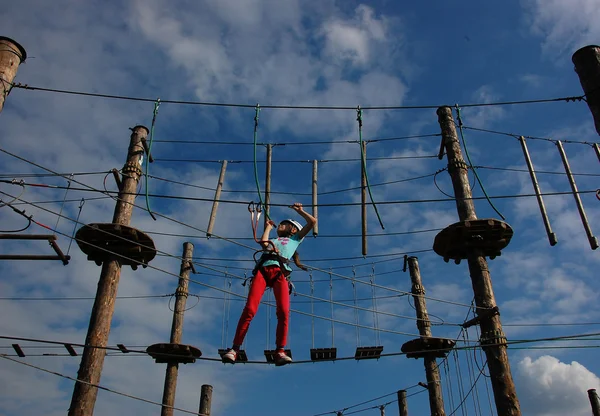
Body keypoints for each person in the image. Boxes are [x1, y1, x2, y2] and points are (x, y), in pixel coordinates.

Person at [222, 202, 317, 366]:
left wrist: (300, 211)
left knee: (284, 311)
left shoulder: (295, 239)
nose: (280, 225)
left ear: (293, 229)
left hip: (280, 272)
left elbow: (312, 222)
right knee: (250, 309)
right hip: (263, 272)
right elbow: (264, 242)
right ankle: (234, 349)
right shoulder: (273, 240)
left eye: (284, 224)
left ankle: (280, 350)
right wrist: (267, 227)